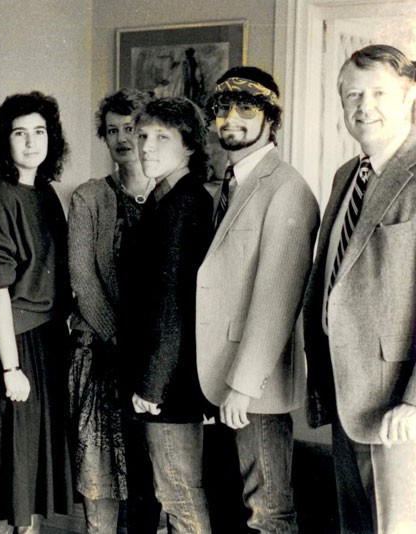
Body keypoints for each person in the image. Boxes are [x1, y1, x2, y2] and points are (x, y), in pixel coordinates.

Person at [196, 66, 319, 533]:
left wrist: (245, 385)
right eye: (222, 108)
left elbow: (277, 299)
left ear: (271, 119)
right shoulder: (231, 183)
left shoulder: (287, 188)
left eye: (246, 108)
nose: (231, 118)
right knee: (235, 508)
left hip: (254, 387)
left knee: (269, 511)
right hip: (219, 374)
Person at [303, 44, 416, 533]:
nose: (363, 106)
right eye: (352, 95)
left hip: (399, 405)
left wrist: (414, 401)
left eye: (378, 93)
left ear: (410, 97)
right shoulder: (348, 174)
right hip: (346, 391)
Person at [0, 92, 73, 533]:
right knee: (7, 481)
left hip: (45, 342)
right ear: (5, 141)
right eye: (20, 133)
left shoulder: (45, 192)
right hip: (11, 345)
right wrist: (11, 367)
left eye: (40, 132)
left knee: (29, 476)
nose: (31, 142)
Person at [66, 88, 160, 534]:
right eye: (112, 130)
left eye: (131, 128)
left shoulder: (171, 195)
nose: (122, 139)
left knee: (152, 477)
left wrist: (148, 349)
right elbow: (83, 279)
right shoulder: (89, 197)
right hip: (100, 358)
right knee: (99, 477)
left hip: (155, 362)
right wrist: (121, 339)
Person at [123, 97, 214, 533]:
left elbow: (172, 301)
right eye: (142, 135)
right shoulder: (165, 199)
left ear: (190, 146)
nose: (146, 146)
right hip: (166, 379)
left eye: (162, 137)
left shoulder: (184, 204)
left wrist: (152, 384)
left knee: (179, 494)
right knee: (175, 493)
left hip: (170, 384)